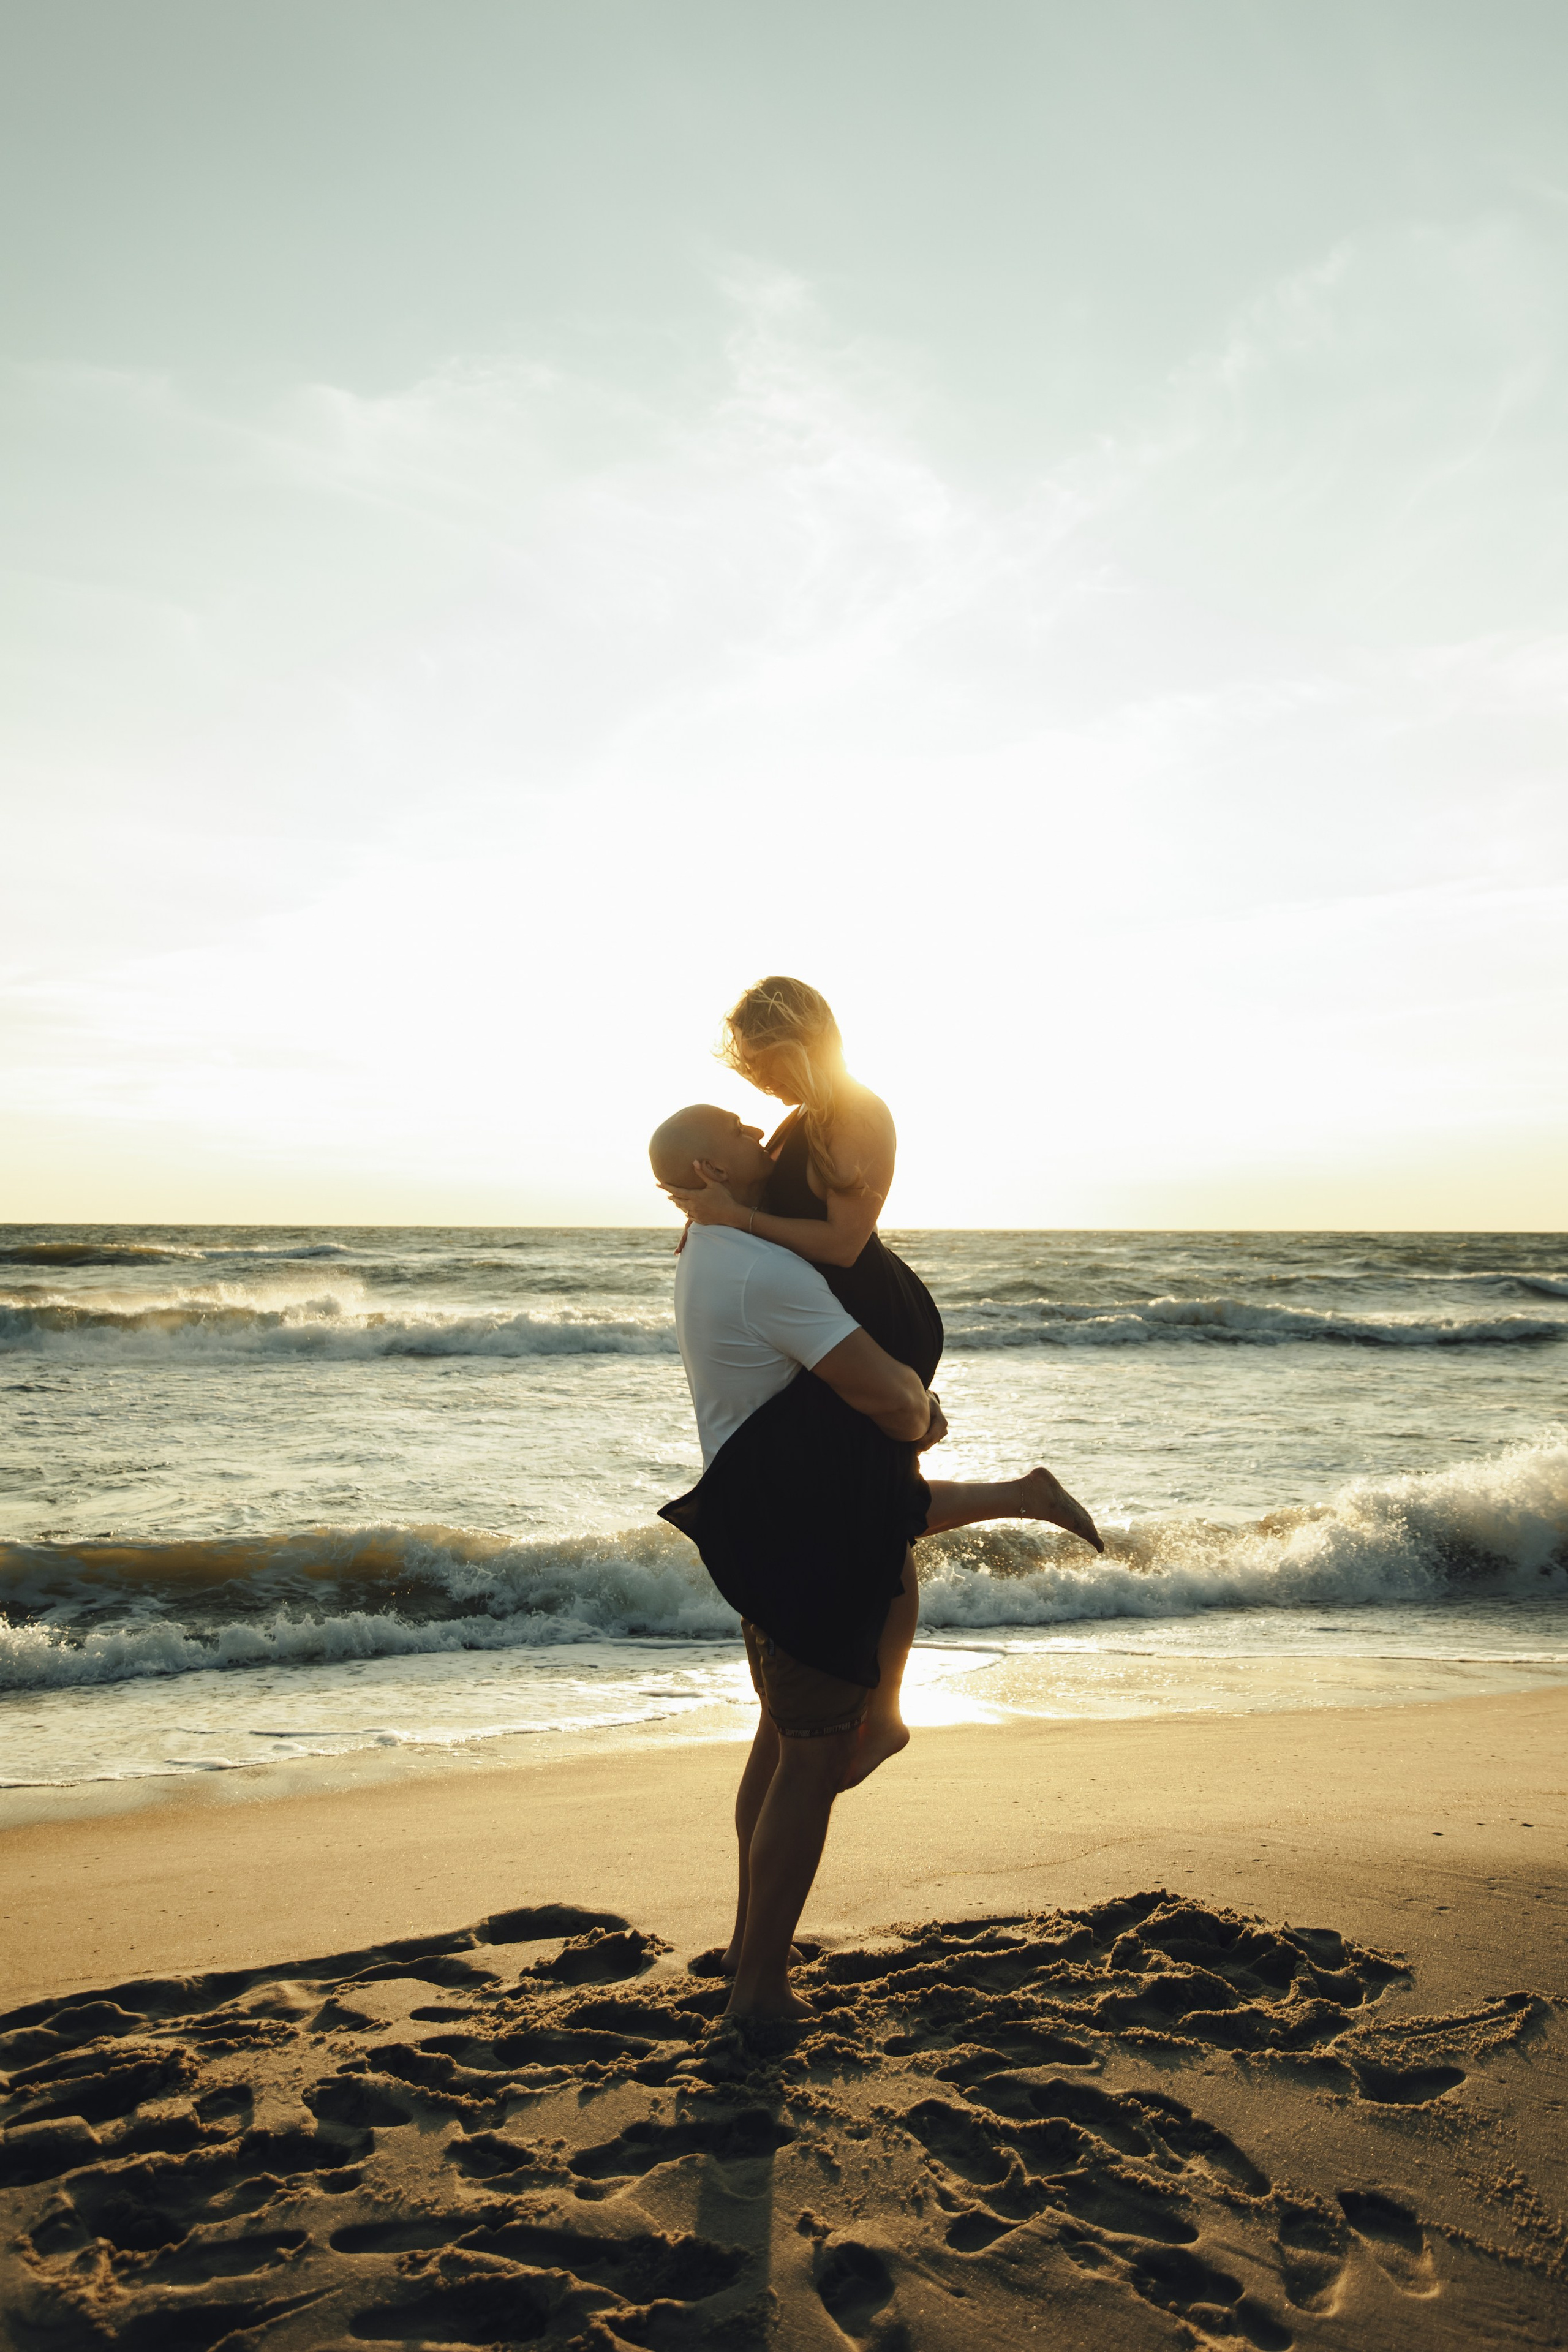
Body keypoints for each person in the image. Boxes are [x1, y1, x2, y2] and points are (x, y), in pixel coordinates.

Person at [650, 1101, 1101, 2019]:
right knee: (811, 1761)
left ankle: (747, 1948)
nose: (757, 1131)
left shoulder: (711, 1250)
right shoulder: (761, 1268)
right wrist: (919, 1411)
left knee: (781, 1739)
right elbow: (890, 1401)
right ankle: (760, 1990)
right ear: (708, 1173)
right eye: (735, 1129)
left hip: (762, 1520)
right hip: (802, 1539)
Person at [660, 976, 1100, 1784]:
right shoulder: (800, 1121)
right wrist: (711, 1229)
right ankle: (1021, 1501)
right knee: (876, 1501)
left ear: (799, 1042)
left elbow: (842, 1243)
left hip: (877, 1311)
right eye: (749, 1071)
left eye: (764, 1064)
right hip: (836, 1317)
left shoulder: (859, 1113)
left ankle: (889, 1708)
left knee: (874, 1500)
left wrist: (733, 1220)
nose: (760, 1083)